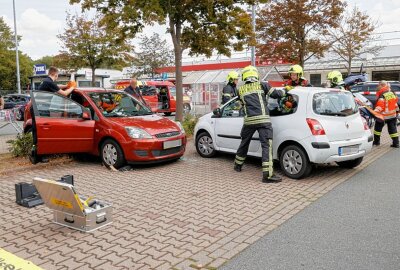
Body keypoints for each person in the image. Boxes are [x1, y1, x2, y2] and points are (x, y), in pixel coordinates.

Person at [234, 65, 286, 183]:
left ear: (244, 76)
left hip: (248, 121)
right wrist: (285, 91)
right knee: (266, 146)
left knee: (244, 143)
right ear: (255, 75)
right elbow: (276, 94)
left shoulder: (240, 90)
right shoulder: (263, 85)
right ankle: (267, 175)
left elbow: (239, 105)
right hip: (263, 121)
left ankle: (237, 165)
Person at [373, 81, 399, 148]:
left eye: (378, 85)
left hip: (383, 116)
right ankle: (396, 143)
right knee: (393, 130)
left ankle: (376, 142)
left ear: (382, 85)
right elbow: (395, 104)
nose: (377, 87)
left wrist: (374, 112)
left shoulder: (382, 94)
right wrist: (397, 112)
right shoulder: (391, 93)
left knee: (377, 130)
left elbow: (380, 106)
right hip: (392, 115)